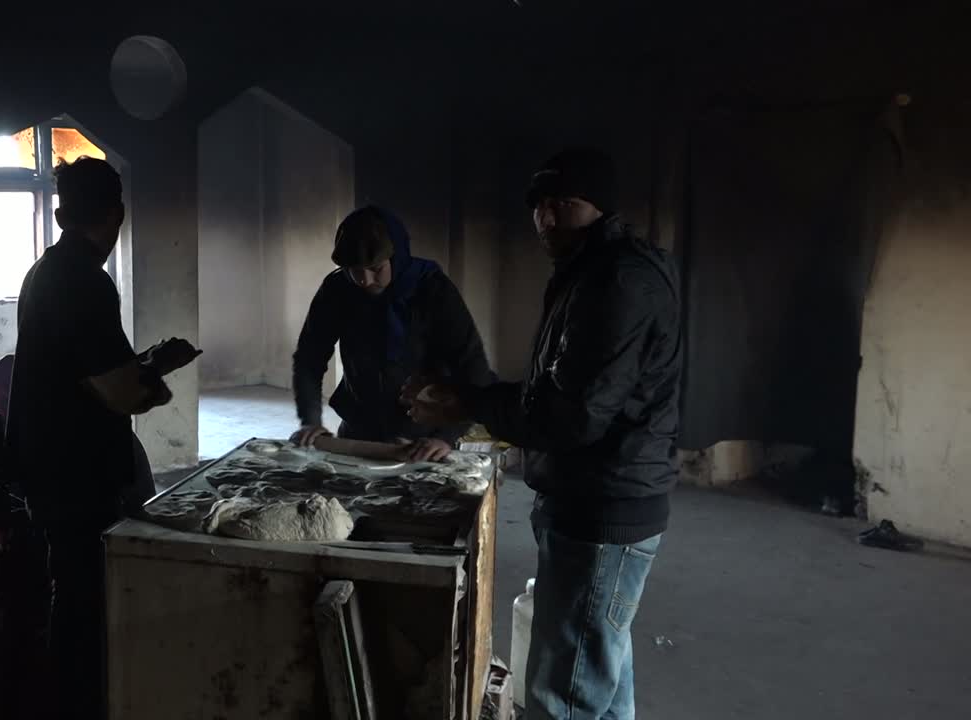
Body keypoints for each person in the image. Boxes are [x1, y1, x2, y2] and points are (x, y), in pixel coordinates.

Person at [407, 148, 682, 720]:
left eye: (566, 203)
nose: (548, 218)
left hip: (603, 507)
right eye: (540, 205)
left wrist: (470, 402)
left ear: (597, 207)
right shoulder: (592, 272)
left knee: (565, 694)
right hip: (604, 499)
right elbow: (554, 396)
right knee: (602, 673)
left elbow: (571, 417)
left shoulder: (616, 282)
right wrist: (477, 401)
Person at [5, 157, 199, 719]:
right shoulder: (86, 281)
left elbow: (81, 367)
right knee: (88, 596)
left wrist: (139, 366)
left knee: (72, 586)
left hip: (46, 461)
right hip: (76, 469)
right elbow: (117, 391)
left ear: (63, 213)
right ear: (116, 214)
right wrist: (154, 384)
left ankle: (71, 691)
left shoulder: (45, 271)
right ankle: (85, 700)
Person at [290, 206, 494, 462]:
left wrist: (446, 436)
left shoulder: (432, 290)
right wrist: (310, 420)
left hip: (422, 435)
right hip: (358, 425)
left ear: (396, 257)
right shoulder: (337, 289)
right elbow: (310, 357)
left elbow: (472, 366)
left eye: (375, 268)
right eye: (354, 269)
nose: (364, 280)